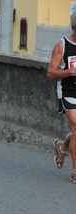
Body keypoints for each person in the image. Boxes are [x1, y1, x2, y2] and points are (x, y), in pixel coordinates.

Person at [48, 10, 76, 183]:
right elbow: (50, 73)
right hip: (68, 93)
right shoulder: (62, 45)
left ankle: (62, 146)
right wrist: (71, 71)